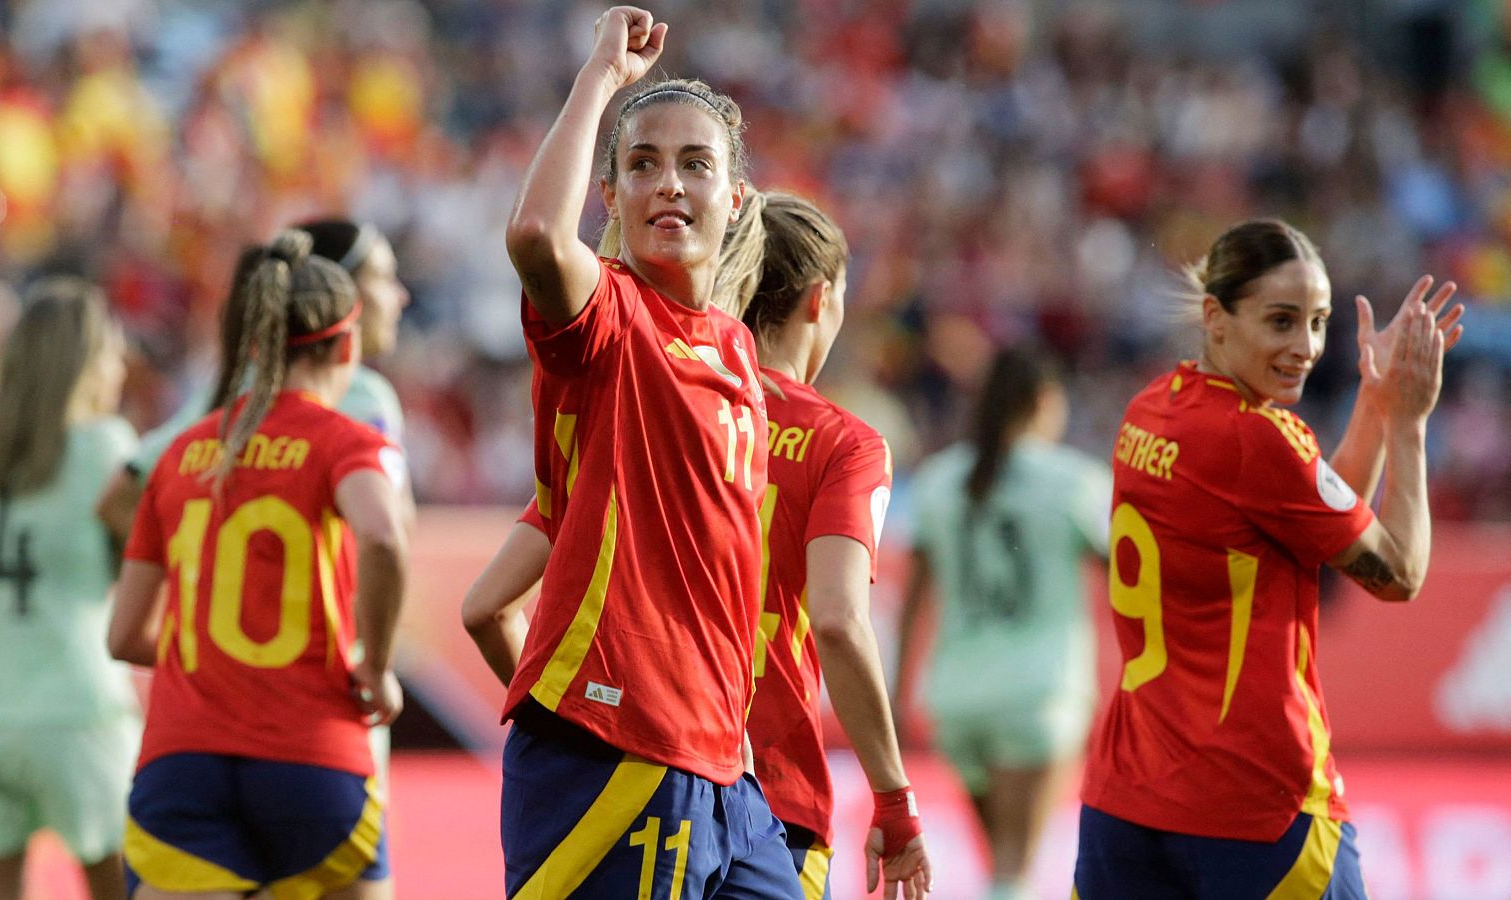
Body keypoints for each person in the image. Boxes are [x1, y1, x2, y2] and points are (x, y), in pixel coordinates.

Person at [467, 191, 935, 900]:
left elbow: (487, 606)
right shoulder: (845, 445)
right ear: (820, 300)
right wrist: (894, 797)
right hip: (771, 789)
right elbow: (839, 620)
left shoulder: (652, 413)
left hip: (644, 751)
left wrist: (583, 727)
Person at [496, 6, 804, 897]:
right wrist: (600, 77)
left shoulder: (734, 347)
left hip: (718, 761)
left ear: (736, 199)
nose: (668, 184)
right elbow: (535, 241)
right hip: (618, 743)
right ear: (613, 198)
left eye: (694, 164)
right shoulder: (611, 320)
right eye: (642, 165)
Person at [1073, 219, 1464, 898]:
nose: (1305, 347)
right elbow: (1399, 572)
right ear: (1215, 317)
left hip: (1127, 801)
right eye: (1281, 322)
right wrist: (1408, 422)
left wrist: (1370, 402)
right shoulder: (1258, 440)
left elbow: (1308, 514)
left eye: (1318, 323)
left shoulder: (1148, 412)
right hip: (1255, 803)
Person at [107, 229, 408, 899]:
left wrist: (209, 648)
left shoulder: (182, 453)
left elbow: (124, 637)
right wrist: (377, 666)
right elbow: (385, 539)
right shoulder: (349, 438)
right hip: (313, 755)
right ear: (346, 345)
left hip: (182, 761)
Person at [0, 277, 141, 900]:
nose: (120, 366)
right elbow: (156, 561)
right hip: (76, 710)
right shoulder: (101, 448)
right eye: (110, 351)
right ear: (81, 362)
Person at [894, 345, 1109, 900]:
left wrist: (898, 694)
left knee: (1001, 866)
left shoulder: (940, 480)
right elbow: (1133, 576)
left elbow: (913, 601)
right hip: (1037, 695)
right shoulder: (1073, 482)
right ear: (1045, 401)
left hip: (955, 700)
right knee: (1015, 867)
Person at [97, 217, 411, 541]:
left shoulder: (237, 383)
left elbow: (121, 495)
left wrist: (200, 575)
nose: (401, 296)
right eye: (384, 277)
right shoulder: (367, 396)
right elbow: (388, 533)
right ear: (339, 287)